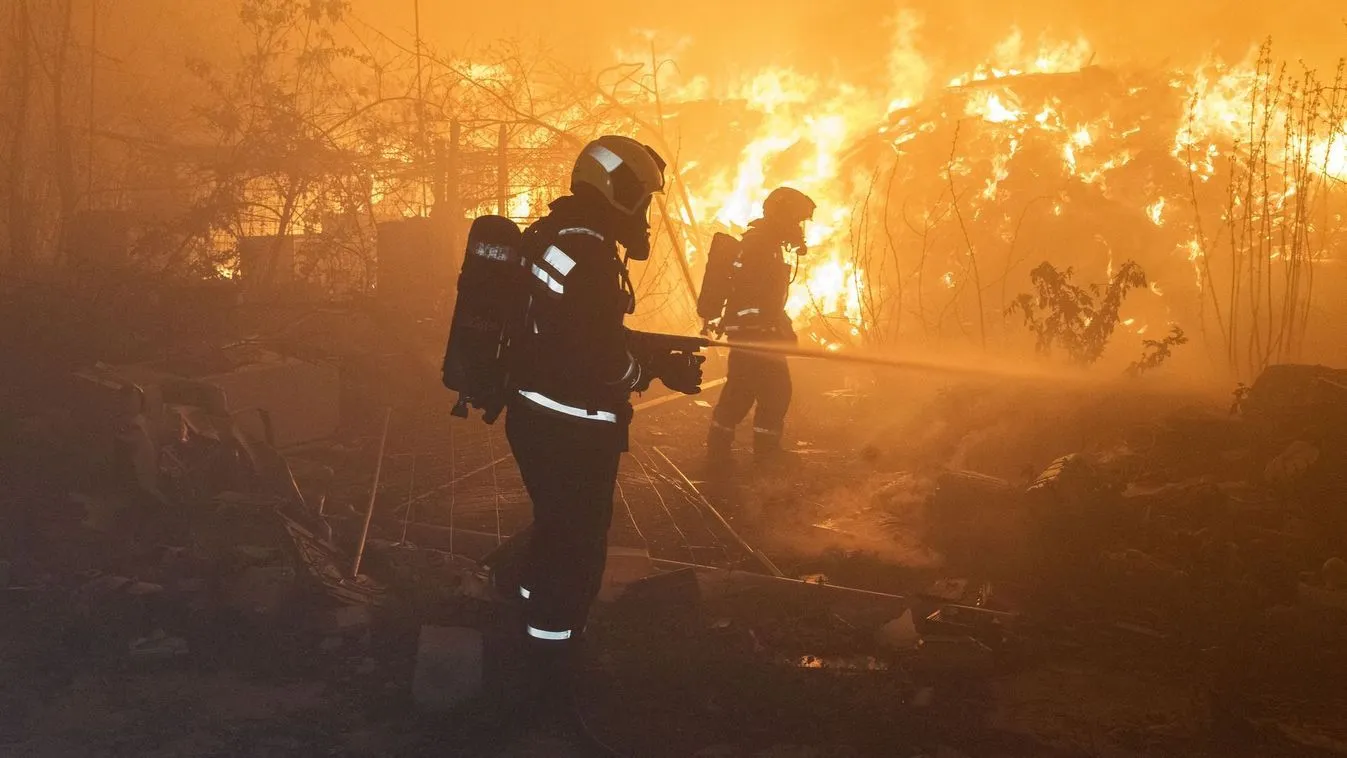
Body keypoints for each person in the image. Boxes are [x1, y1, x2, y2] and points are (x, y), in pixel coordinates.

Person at [500, 135, 704, 721]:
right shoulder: (589, 256)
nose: (644, 212)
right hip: (572, 427)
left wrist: (654, 352)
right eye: (642, 197)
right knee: (578, 545)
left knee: (555, 528)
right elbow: (603, 360)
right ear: (618, 190)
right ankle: (554, 670)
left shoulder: (556, 238)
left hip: (537, 414)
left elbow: (574, 330)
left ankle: (531, 614)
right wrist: (652, 369)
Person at [707, 186, 816, 457]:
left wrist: (781, 327)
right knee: (774, 391)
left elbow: (767, 301)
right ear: (781, 216)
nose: (798, 228)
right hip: (754, 335)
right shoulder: (760, 246)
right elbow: (749, 296)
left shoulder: (767, 245)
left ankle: (721, 445)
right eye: (795, 221)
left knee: (742, 390)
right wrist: (765, 329)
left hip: (756, 333)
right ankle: (764, 451)